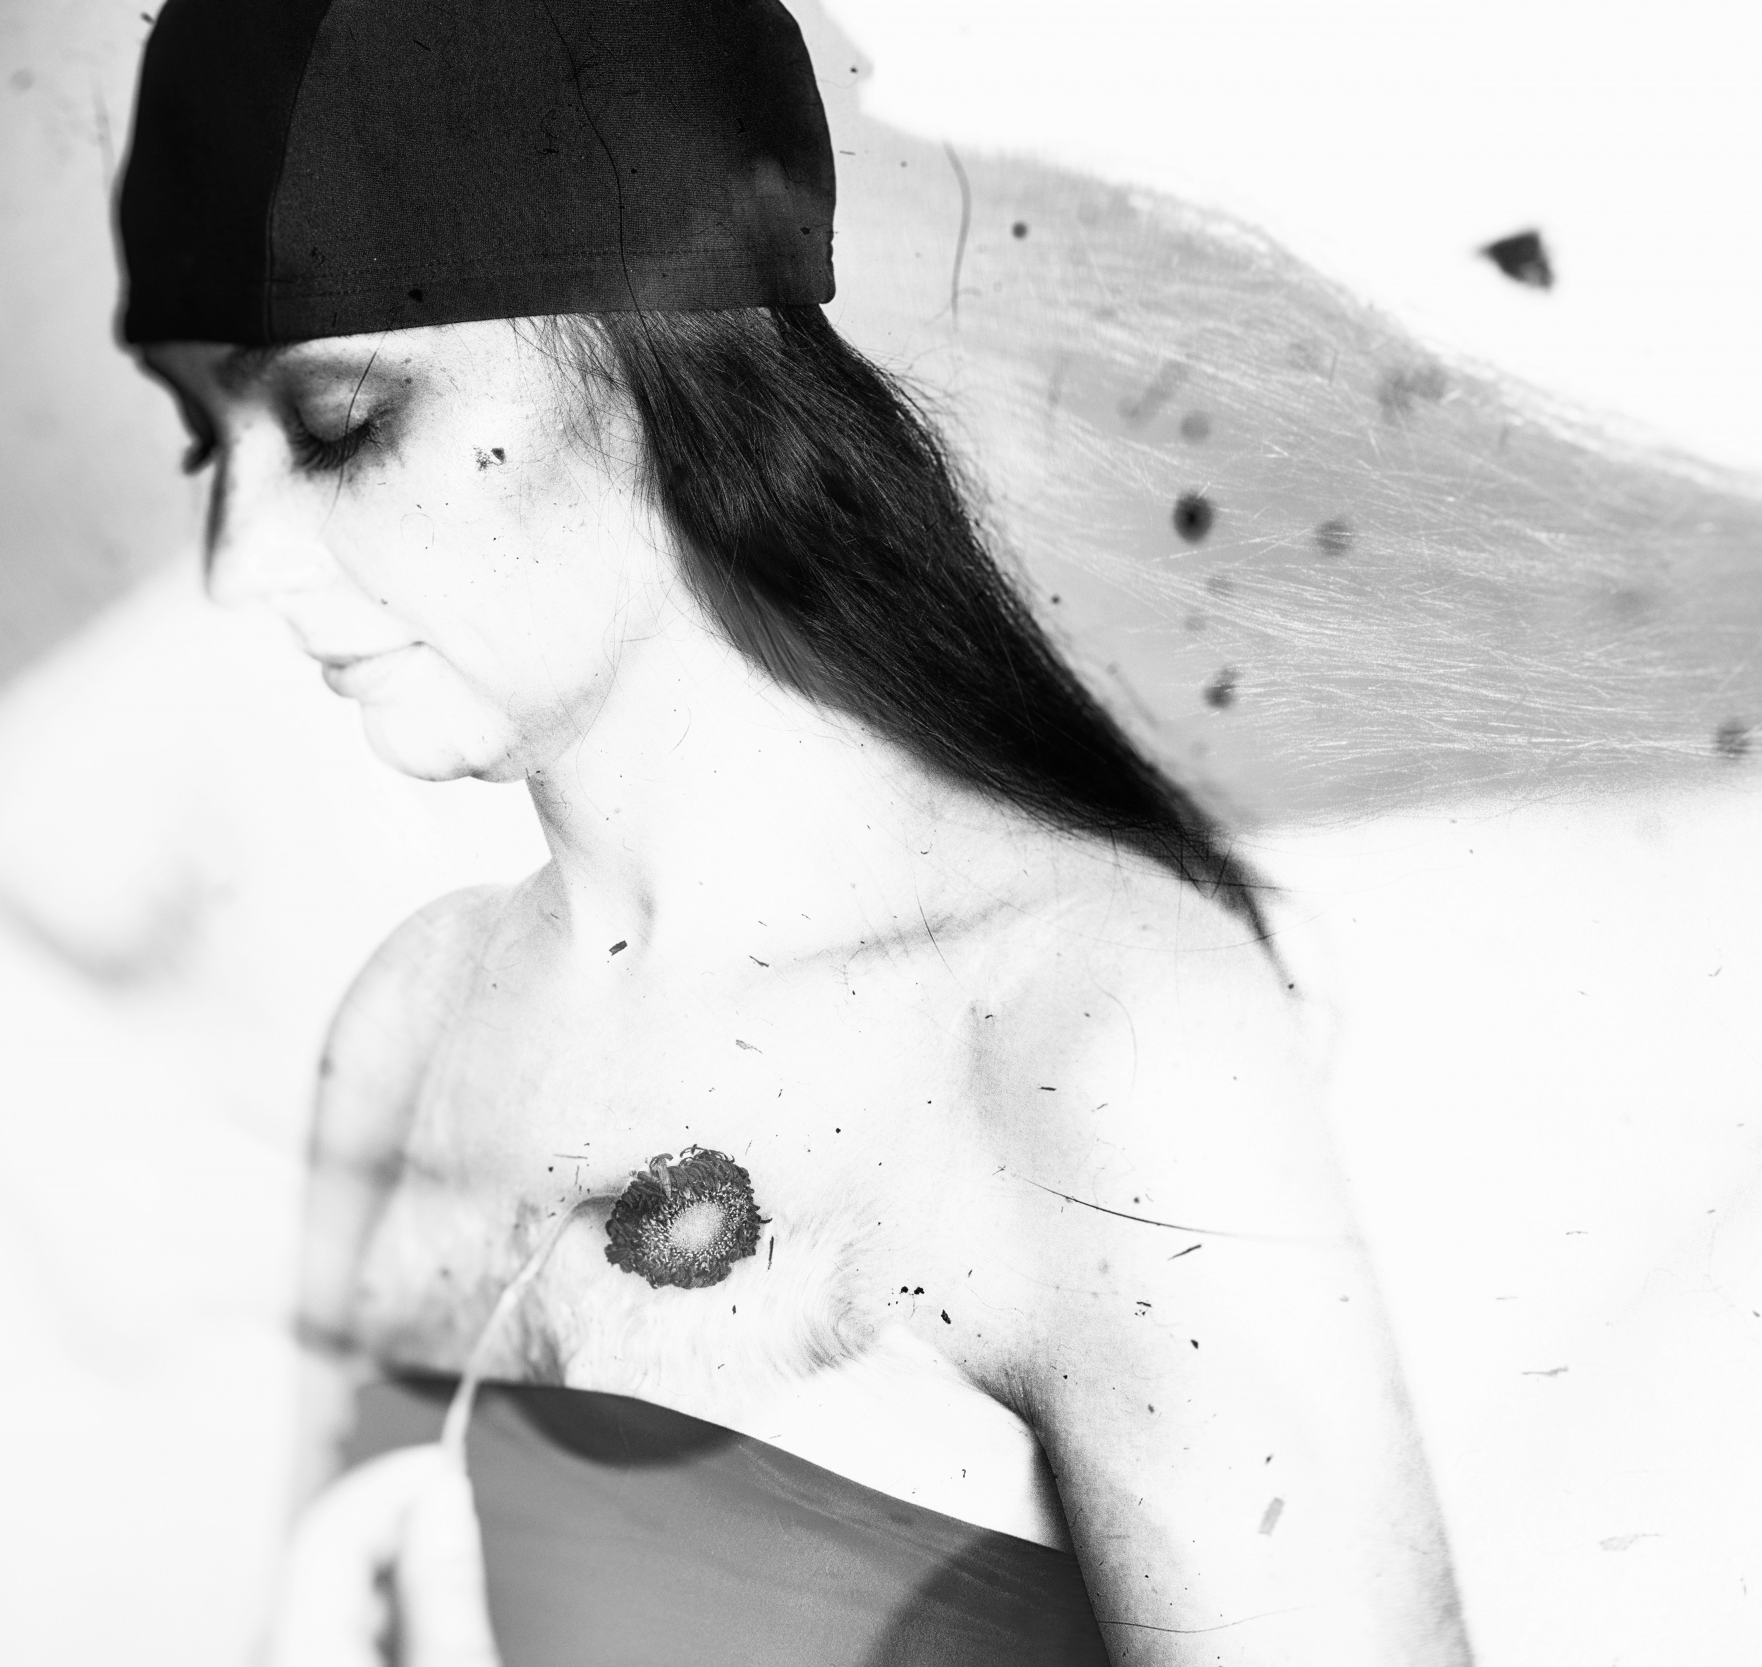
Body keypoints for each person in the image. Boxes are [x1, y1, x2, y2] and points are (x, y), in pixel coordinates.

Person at [117, 1, 1471, 1662]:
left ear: (658, 353)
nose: (238, 563)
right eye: (205, 441)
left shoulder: (1084, 1036)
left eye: (338, 420)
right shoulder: (410, 1017)